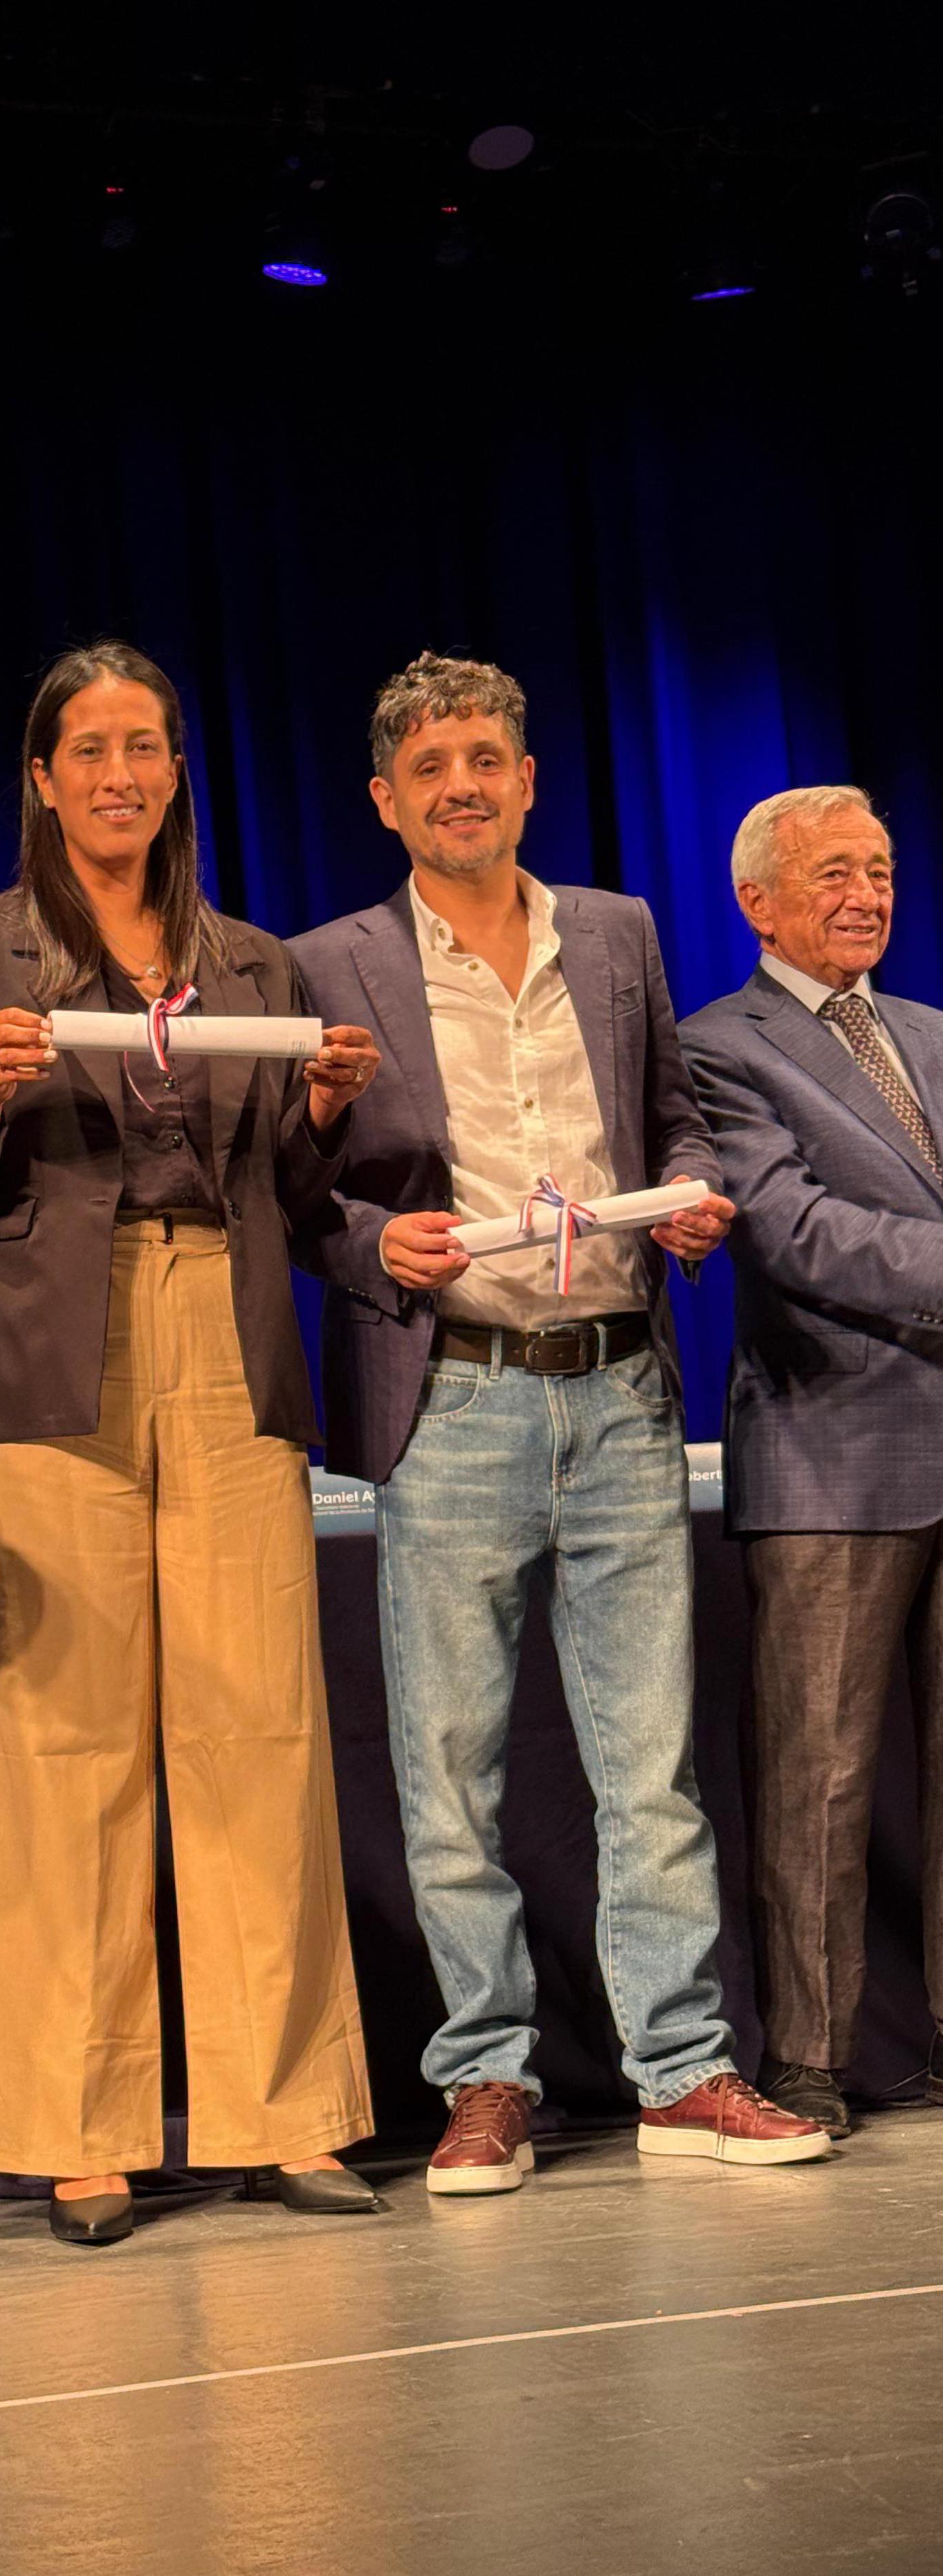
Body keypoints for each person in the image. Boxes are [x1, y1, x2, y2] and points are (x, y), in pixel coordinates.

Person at [289, 651, 833, 2189]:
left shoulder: (613, 931)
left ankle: (681, 2070)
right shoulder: (331, 961)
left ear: (527, 780)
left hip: (618, 1384)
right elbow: (289, 1184)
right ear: (386, 798)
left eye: (487, 758)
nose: (463, 784)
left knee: (646, 1758)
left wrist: (691, 1194)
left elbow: (672, 1108)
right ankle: (486, 2079)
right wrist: (355, 1243)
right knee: (448, 1765)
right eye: (432, 765)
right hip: (453, 1396)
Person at [0, 640, 381, 2245]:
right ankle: (78, 2131)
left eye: (146, 747)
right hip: (45, 1361)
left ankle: (283, 2112)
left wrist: (318, 1126)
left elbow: (301, 1216)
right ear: (42, 776)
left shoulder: (252, 962)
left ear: (177, 773)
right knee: (59, 1753)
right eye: (88, 749)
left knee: (257, 1727)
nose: (118, 775)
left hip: (223, 1340)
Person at [681, 785, 943, 2139]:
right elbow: (790, 1230)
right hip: (831, 1445)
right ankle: (812, 2061)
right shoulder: (720, 1047)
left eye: (882, 870)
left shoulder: (930, 1035)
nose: (866, 894)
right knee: (818, 1775)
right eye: (835, 872)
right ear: (760, 901)